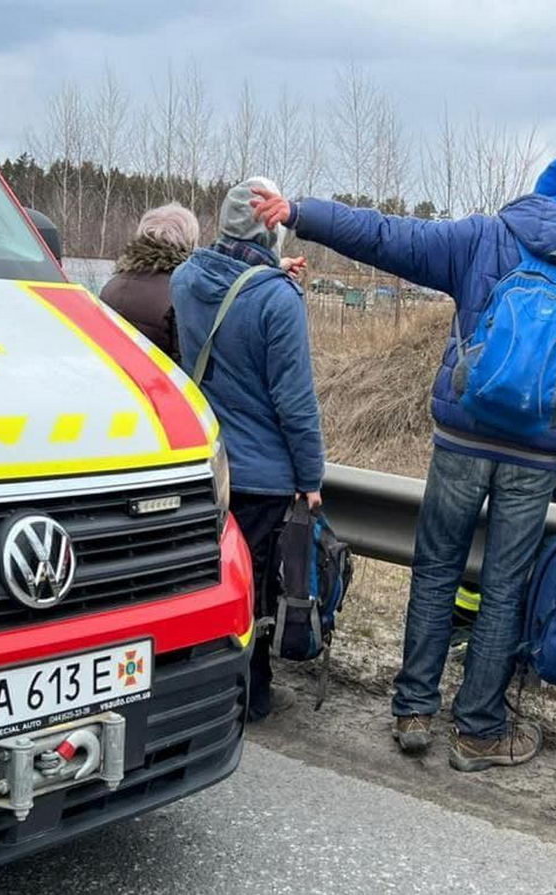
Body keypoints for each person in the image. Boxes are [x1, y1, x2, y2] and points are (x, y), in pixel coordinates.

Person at [252, 154, 556, 770]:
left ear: (539, 194)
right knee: (505, 589)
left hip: (461, 441)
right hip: (535, 457)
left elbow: (385, 236)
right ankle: (479, 730)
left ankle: (413, 711)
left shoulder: (484, 238)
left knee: (434, 572)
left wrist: (301, 214)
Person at [171, 177, 322, 723]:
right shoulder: (278, 301)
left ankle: (198, 690)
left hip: (206, 464)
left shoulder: (186, 278)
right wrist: (311, 476)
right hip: (262, 473)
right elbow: (295, 400)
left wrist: (271, 279)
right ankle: (251, 696)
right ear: (272, 227)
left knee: (207, 581)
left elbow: (225, 308)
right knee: (255, 588)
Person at [99, 203, 200, 363]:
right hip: (156, 385)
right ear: (190, 241)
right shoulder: (181, 294)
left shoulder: (110, 286)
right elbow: (186, 362)